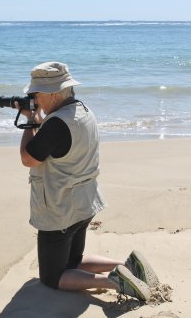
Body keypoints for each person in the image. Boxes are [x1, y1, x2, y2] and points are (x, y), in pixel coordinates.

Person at [17, 61, 158, 302]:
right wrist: (40, 117)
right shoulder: (83, 111)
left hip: (60, 208)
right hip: (84, 202)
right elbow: (60, 146)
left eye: (35, 93)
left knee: (52, 276)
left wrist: (30, 121)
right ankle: (128, 266)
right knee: (73, 262)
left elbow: (29, 158)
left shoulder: (56, 124)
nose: (33, 98)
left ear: (52, 94)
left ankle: (115, 280)